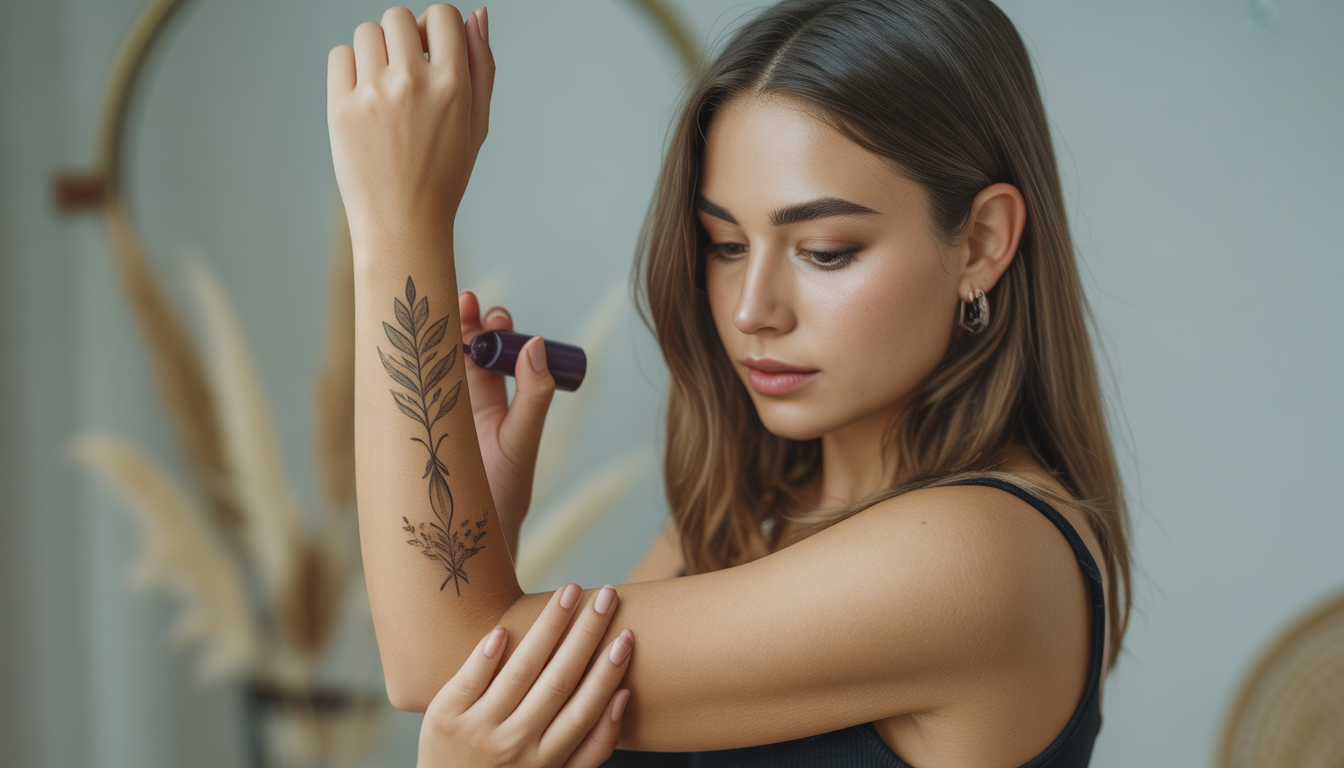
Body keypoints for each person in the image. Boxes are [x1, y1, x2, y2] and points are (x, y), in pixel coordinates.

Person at [326, 0, 1133, 765]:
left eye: (824, 251)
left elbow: (444, 659)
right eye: (724, 245)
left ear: (983, 242)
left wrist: (400, 219)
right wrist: (484, 536)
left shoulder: (984, 556)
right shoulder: (742, 518)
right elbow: (480, 678)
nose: (751, 312)